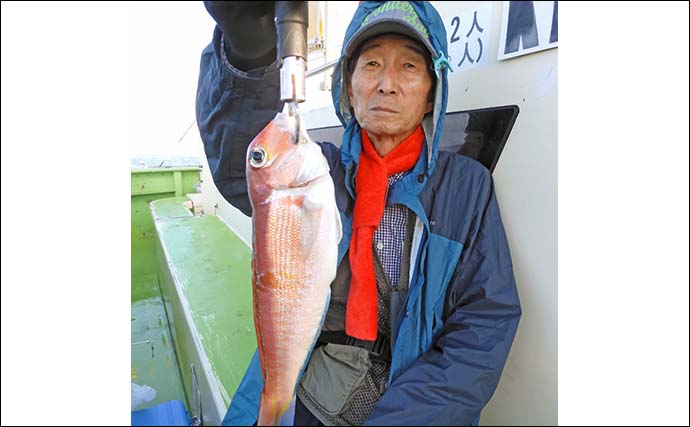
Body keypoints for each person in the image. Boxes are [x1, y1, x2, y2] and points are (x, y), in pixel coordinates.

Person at [196, 1, 522, 425]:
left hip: (411, 403)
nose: (386, 83)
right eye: (371, 64)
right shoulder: (319, 170)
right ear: (348, 87)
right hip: (308, 393)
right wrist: (247, 50)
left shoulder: (467, 186)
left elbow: (483, 324)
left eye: (408, 66)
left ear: (431, 94)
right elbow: (249, 166)